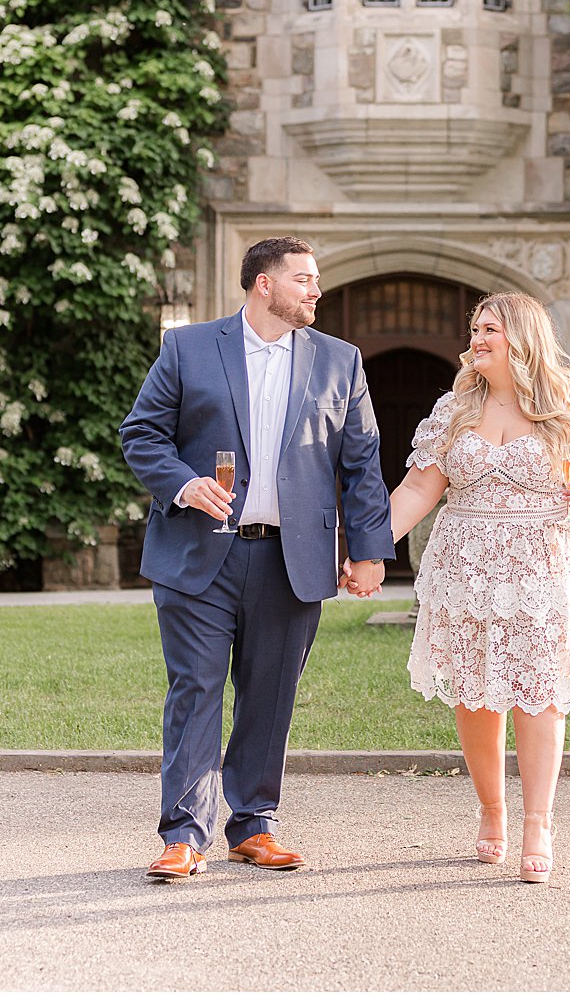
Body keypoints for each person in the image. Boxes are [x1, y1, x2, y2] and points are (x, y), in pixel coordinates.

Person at [121, 236, 395, 880]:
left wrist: (371, 550)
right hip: (197, 555)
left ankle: (254, 824)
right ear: (263, 285)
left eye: (316, 280)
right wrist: (184, 484)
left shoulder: (341, 362)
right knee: (196, 689)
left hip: (291, 559)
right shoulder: (187, 348)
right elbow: (142, 433)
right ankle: (185, 834)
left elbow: (361, 466)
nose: (316, 290)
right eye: (304, 279)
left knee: (272, 694)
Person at [365, 291, 570, 884]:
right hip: (468, 569)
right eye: (475, 330)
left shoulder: (569, 415)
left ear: (522, 339)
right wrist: (370, 548)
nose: (476, 340)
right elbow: (417, 491)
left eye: (489, 331)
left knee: (539, 693)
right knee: (475, 697)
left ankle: (539, 823)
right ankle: (491, 810)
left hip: (542, 569)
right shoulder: (453, 412)